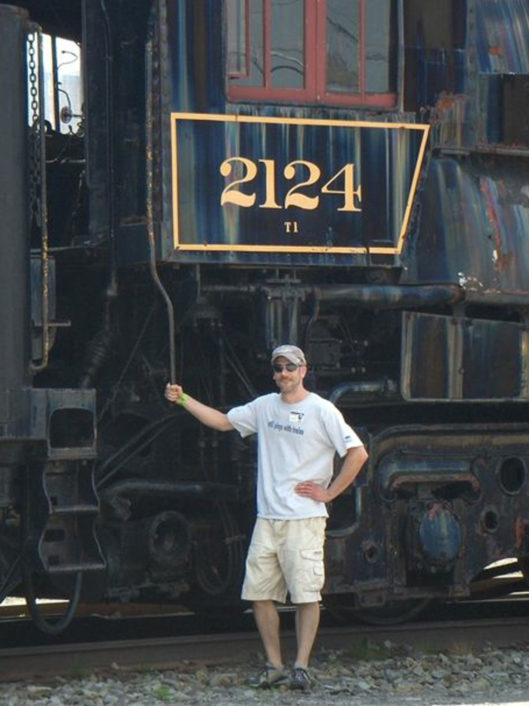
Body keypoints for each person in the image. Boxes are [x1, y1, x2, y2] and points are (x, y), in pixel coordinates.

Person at [165, 344, 368, 691]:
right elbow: (223, 421)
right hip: (268, 520)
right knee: (260, 594)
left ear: (303, 370)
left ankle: (301, 666)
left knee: (306, 596)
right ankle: (274, 665)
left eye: (290, 367)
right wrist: (184, 400)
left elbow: (358, 453)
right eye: (278, 368)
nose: (283, 373)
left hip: (303, 519)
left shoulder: (322, 410)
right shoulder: (264, 407)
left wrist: (330, 493)